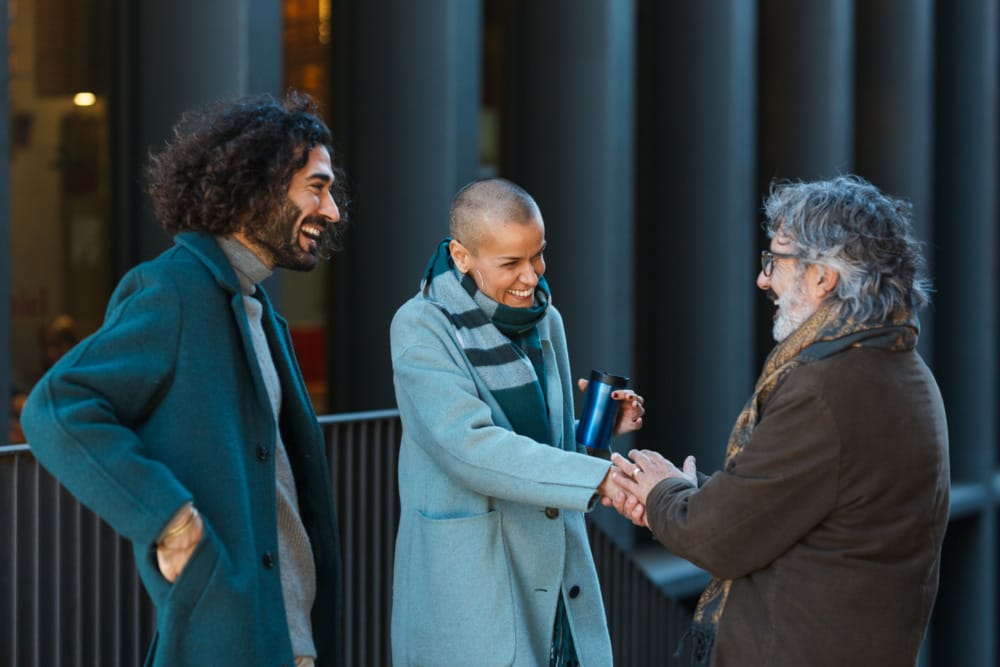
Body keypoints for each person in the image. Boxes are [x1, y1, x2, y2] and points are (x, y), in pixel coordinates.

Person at [20, 91, 346, 667]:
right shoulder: (172, 291)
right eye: (316, 188)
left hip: (290, 637)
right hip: (228, 638)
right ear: (258, 188)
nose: (332, 210)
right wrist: (169, 521)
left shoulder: (256, 309)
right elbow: (57, 408)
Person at [607, 174, 950, 666]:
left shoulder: (828, 388)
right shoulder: (898, 369)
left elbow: (719, 537)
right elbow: (791, 505)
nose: (763, 279)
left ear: (822, 277)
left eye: (775, 260)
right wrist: (683, 497)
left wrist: (665, 495)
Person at [389, 177, 645, 666]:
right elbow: (469, 447)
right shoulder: (421, 325)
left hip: (559, 577)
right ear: (462, 256)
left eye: (538, 255)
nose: (531, 276)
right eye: (510, 263)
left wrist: (596, 432)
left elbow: (546, 446)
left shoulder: (546, 320)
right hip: (476, 584)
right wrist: (600, 477)